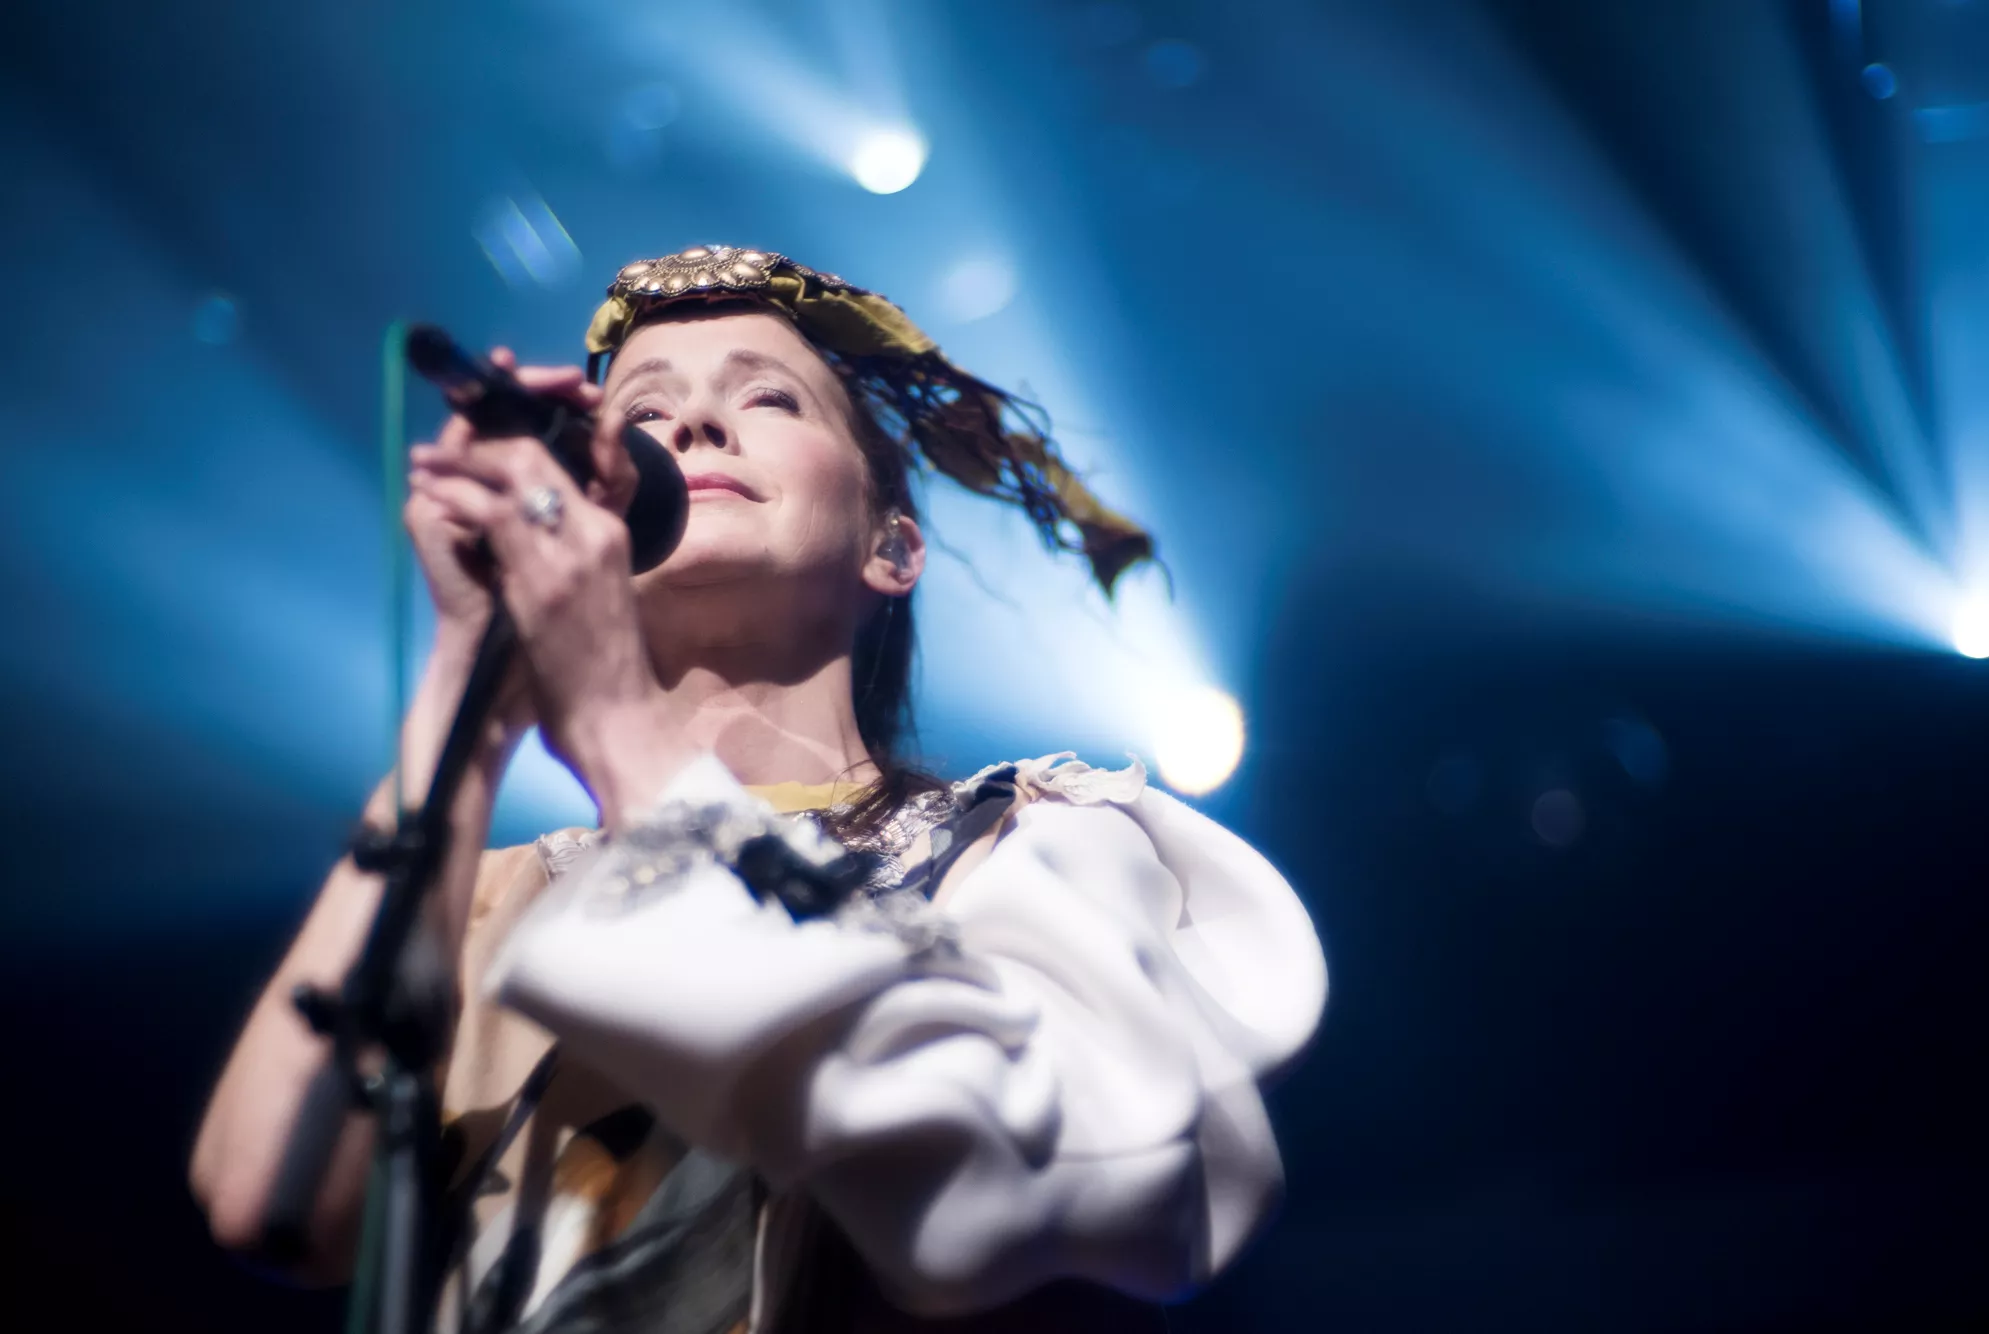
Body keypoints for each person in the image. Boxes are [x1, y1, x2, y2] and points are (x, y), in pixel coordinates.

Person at [190, 245, 1329, 1333]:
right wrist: (467, 684)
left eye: (770, 398)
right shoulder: (487, 898)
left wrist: (619, 729)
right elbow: (272, 1201)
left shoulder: (1036, 843)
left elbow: (1044, 1192)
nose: (688, 426)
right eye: (640, 414)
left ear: (892, 546)